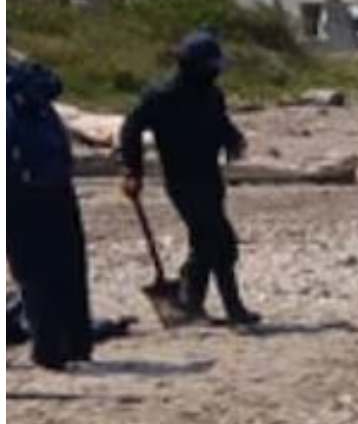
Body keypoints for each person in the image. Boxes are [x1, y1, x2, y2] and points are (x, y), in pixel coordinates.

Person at [116, 30, 258, 325]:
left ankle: (191, 302)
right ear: (196, 66)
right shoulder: (161, 96)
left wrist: (233, 140)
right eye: (212, 66)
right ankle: (224, 306)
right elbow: (130, 131)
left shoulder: (211, 94)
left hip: (210, 175)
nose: (217, 72)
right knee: (221, 241)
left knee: (207, 241)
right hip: (182, 180)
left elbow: (220, 123)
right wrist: (132, 171)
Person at [8, 57, 97, 368]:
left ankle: (51, 349)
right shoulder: (39, 107)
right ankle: (76, 342)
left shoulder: (20, 104)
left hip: (23, 195)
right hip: (54, 190)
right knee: (65, 268)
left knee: (35, 274)